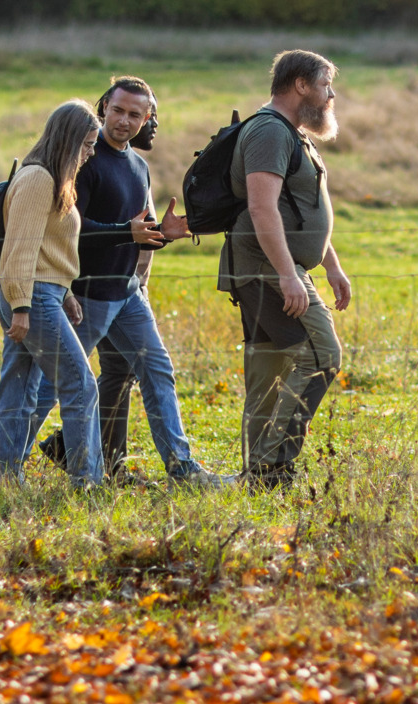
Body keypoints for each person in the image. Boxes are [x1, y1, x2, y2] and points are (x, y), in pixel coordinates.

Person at [59, 75, 222, 486]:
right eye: (117, 111)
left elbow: (136, 233)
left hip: (128, 293)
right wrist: (124, 233)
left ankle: (182, 469)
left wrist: (162, 234)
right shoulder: (85, 161)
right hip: (88, 293)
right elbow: (68, 228)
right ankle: (14, 464)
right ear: (103, 108)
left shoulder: (139, 165)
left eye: (135, 114)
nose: (123, 121)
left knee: (157, 371)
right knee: (54, 384)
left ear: (147, 118)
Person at [219, 48, 353, 487]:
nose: (330, 95)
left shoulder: (294, 134)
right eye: (324, 85)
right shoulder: (269, 133)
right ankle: (271, 464)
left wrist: (330, 264)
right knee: (322, 355)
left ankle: (254, 474)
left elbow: (301, 208)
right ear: (300, 85)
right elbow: (261, 208)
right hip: (266, 269)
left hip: (282, 267)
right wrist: (288, 274)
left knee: (268, 369)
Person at [0, 99, 105, 486]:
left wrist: (65, 291)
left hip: (43, 293)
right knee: (80, 384)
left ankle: (3, 478)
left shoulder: (54, 179)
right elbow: (19, 248)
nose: (91, 153)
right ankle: (86, 481)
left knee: (20, 389)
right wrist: (22, 305)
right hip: (30, 296)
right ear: (68, 142)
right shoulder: (38, 179)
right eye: (87, 145)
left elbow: (47, 248)